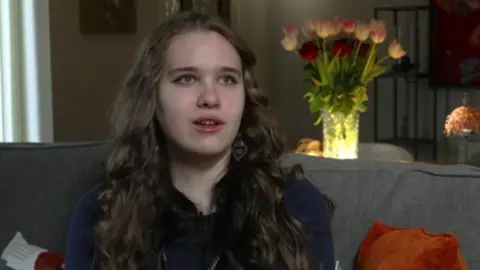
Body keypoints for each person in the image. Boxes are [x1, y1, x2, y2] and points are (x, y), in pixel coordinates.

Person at [65, 11, 334, 270]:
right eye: (187, 79)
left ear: (246, 96)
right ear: (151, 97)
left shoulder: (294, 206)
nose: (210, 98)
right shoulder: (102, 214)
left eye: (227, 79)